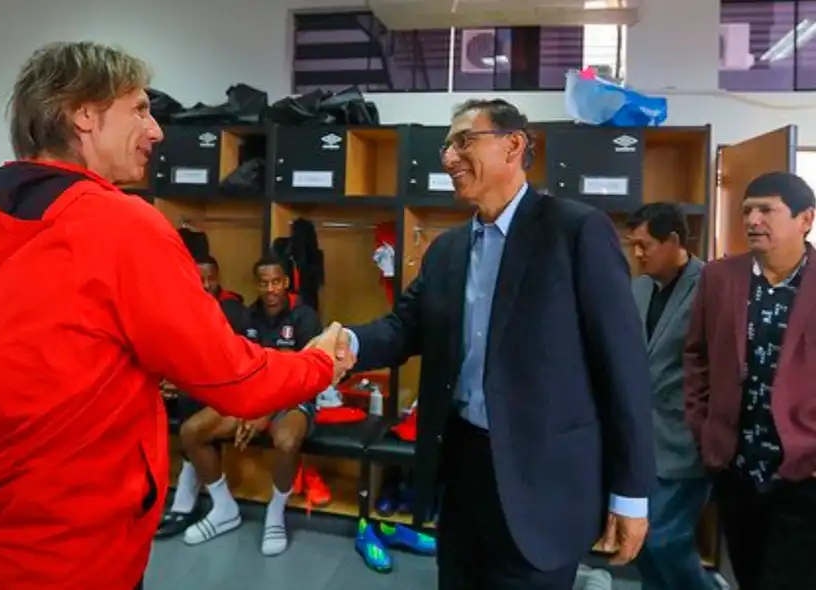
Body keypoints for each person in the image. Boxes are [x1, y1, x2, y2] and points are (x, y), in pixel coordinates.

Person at [0, 41, 353, 590]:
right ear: (84, 114)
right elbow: (235, 379)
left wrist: (3, 497)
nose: (157, 129)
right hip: (91, 555)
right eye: (139, 108)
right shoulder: (119, 224)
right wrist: (320, 364)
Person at [336, 98, 655, 590]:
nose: (448, 158)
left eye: (463, 141)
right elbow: (403, 328)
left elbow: (624, 366)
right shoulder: (447, 250)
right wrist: (346, 341)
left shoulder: (575, 231)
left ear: (513, 145)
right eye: (446, 145)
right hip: (463, 469)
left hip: (543, 480)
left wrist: (630, 494)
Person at [685, 171, 816, 590]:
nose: (753, 220)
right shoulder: (720, 278)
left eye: (767, 210)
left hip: (804, 471)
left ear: (805, 219)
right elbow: (696, 356)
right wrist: (703, 428)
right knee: (746, 572)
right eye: (747, 211)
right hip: (736, 466)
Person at [177, 253, 323, 556]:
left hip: (292, 399)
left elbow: (307, 375)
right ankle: (224, 508)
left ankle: (275, 511)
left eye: (276, 282)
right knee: (191, 432)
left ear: (286, 283)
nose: (270, 289)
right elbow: (240, 368)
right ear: (256, 285)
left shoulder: (305, 316)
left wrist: (265, 410)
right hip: (253, 399)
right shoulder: (247, 317)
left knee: (285, 440)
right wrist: (252, 405)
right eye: (264, 283)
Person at [625, 204, 716, 590]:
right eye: (633, 246)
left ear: (674, 241)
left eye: (644, 245)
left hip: (686, 442)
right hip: (641, 441)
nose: (637, 254)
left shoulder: (712, 285)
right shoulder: (638, 287)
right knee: (640, 543)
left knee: (663, 541)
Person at [156, 254, 248, 539]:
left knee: (190, 411)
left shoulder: (231, 308)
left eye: (211, 279)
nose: (206, 285)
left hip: (231, 390)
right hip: (197, 387)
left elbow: (229, 362)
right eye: (200, 279)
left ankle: (191, 495)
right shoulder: (182, 304)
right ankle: (181, 487)